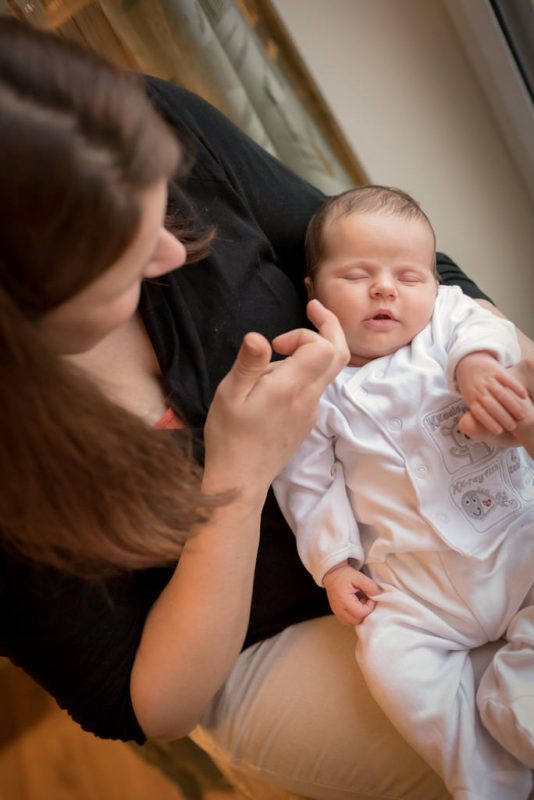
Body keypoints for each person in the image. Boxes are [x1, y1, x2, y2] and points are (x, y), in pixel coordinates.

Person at [1, 19, 533, 800]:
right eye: (122, 260)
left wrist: (501, 368)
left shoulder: (149, 125)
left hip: (468, 508)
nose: (173, 256)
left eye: (160, 216)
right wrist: (241, 477)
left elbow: (406, 267)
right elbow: (150, 704)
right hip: (283, 627)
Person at [273, 186, 534, 800]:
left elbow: (482, 333)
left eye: (408, 275)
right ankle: (490, 783)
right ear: (313, 292)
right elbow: (308, 481)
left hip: (517, 544)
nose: (386, 288)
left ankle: (516, 702)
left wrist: (475, 368)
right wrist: (335, 565)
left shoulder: (447, 320)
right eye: (359, 274)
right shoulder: (319, 382)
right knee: (390, 665)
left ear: (433, 281)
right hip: (418, 589)